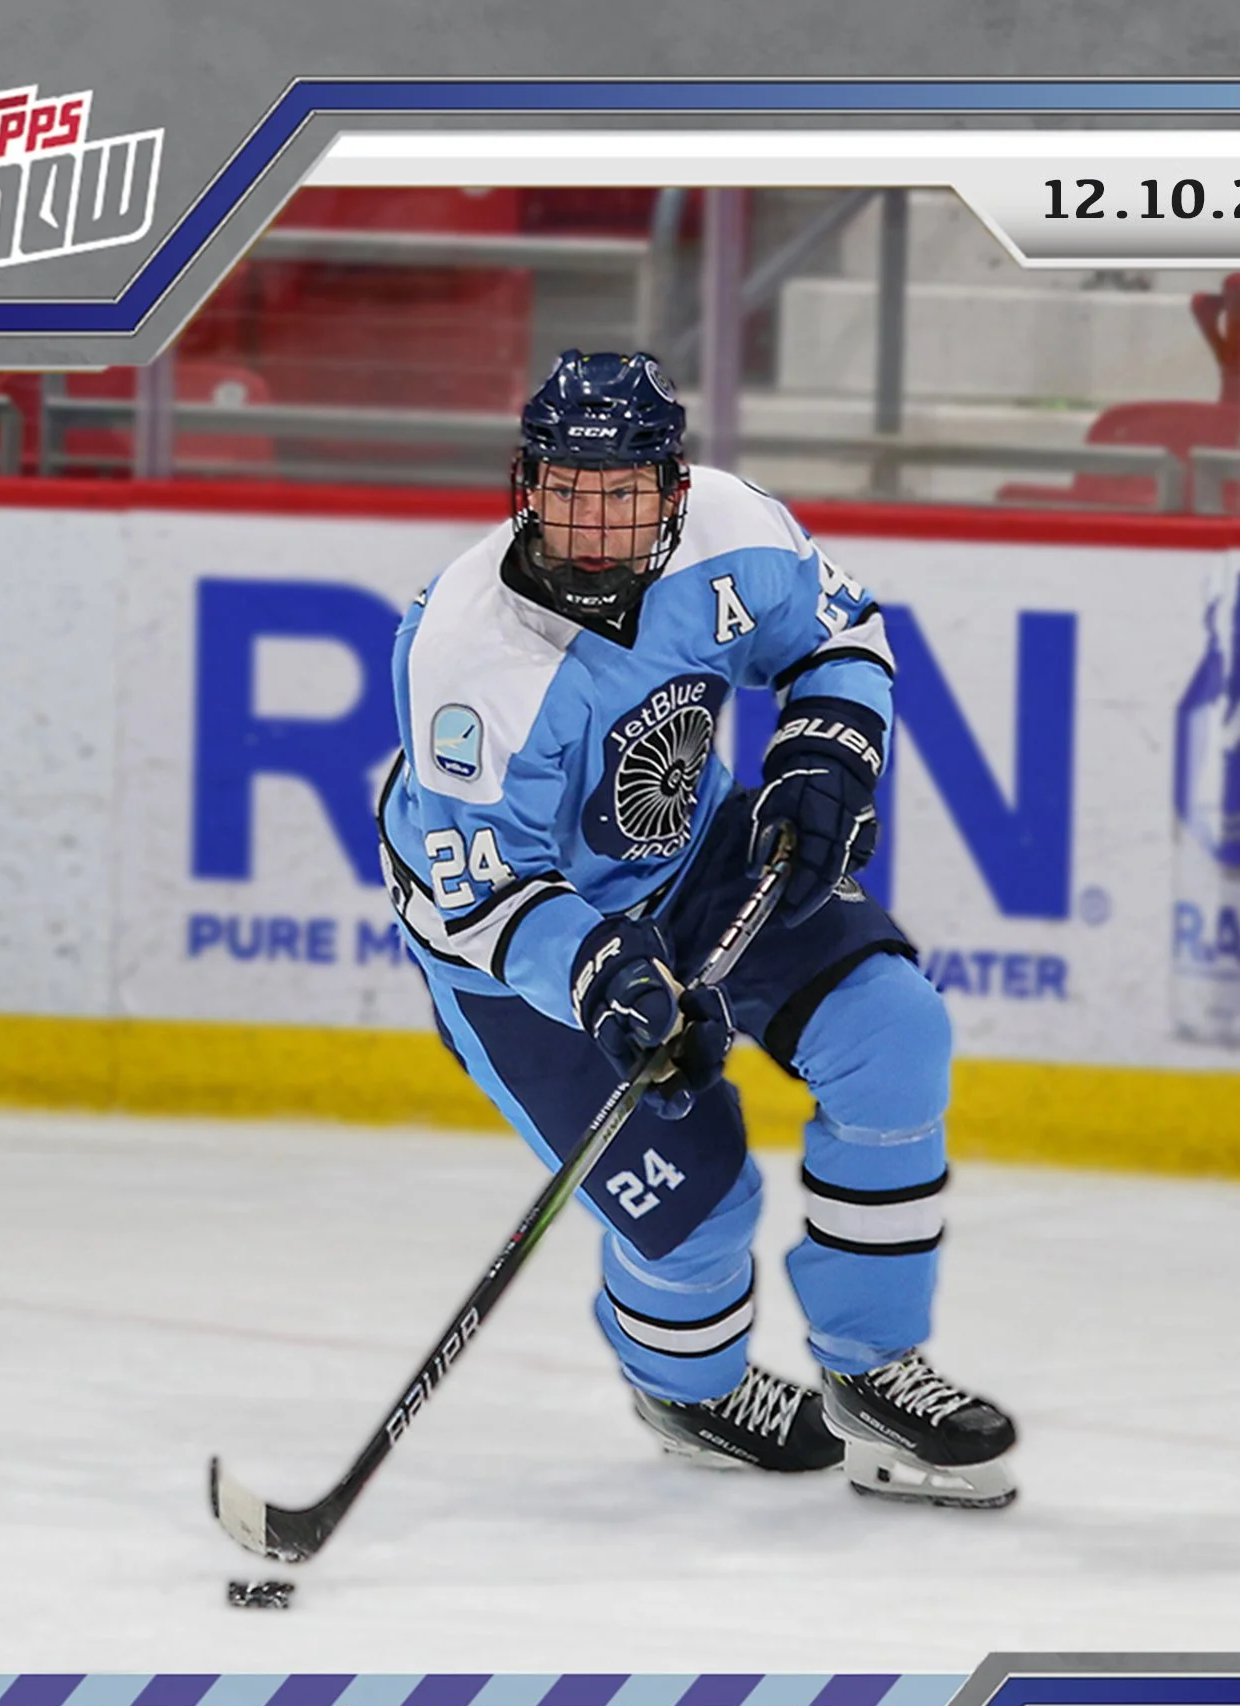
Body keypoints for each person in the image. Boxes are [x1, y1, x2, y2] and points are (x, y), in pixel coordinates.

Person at [378, 349, 1017, 1508]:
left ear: (672, 488)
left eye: (622, 491)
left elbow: (838, 635)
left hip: (694, 858)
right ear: (525, 485)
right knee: (698, 1205)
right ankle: (689, 1386)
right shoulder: (470, 656)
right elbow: (488, 892)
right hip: (521, 945)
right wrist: (599, 974)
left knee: (893, 1033)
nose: (594, 518)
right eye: (568, 488)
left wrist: (830, 746)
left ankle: (874, 1366)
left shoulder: (732, 527)